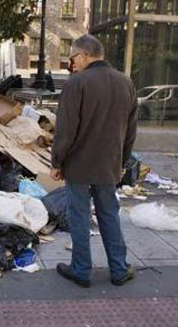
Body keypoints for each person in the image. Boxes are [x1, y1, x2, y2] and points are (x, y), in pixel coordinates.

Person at [51, 34, 137, 288]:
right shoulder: (126, 83)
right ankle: (119, 269)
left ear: (86, 55)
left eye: (73, 57)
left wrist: (57, 162)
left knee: (79, 216)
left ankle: (81, 269)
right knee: (109, 214)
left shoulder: (77, 84)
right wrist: (121, 162)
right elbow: (130, 131)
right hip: (109, 164)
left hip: (79, 164)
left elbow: (65, 129)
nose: (72, 63)